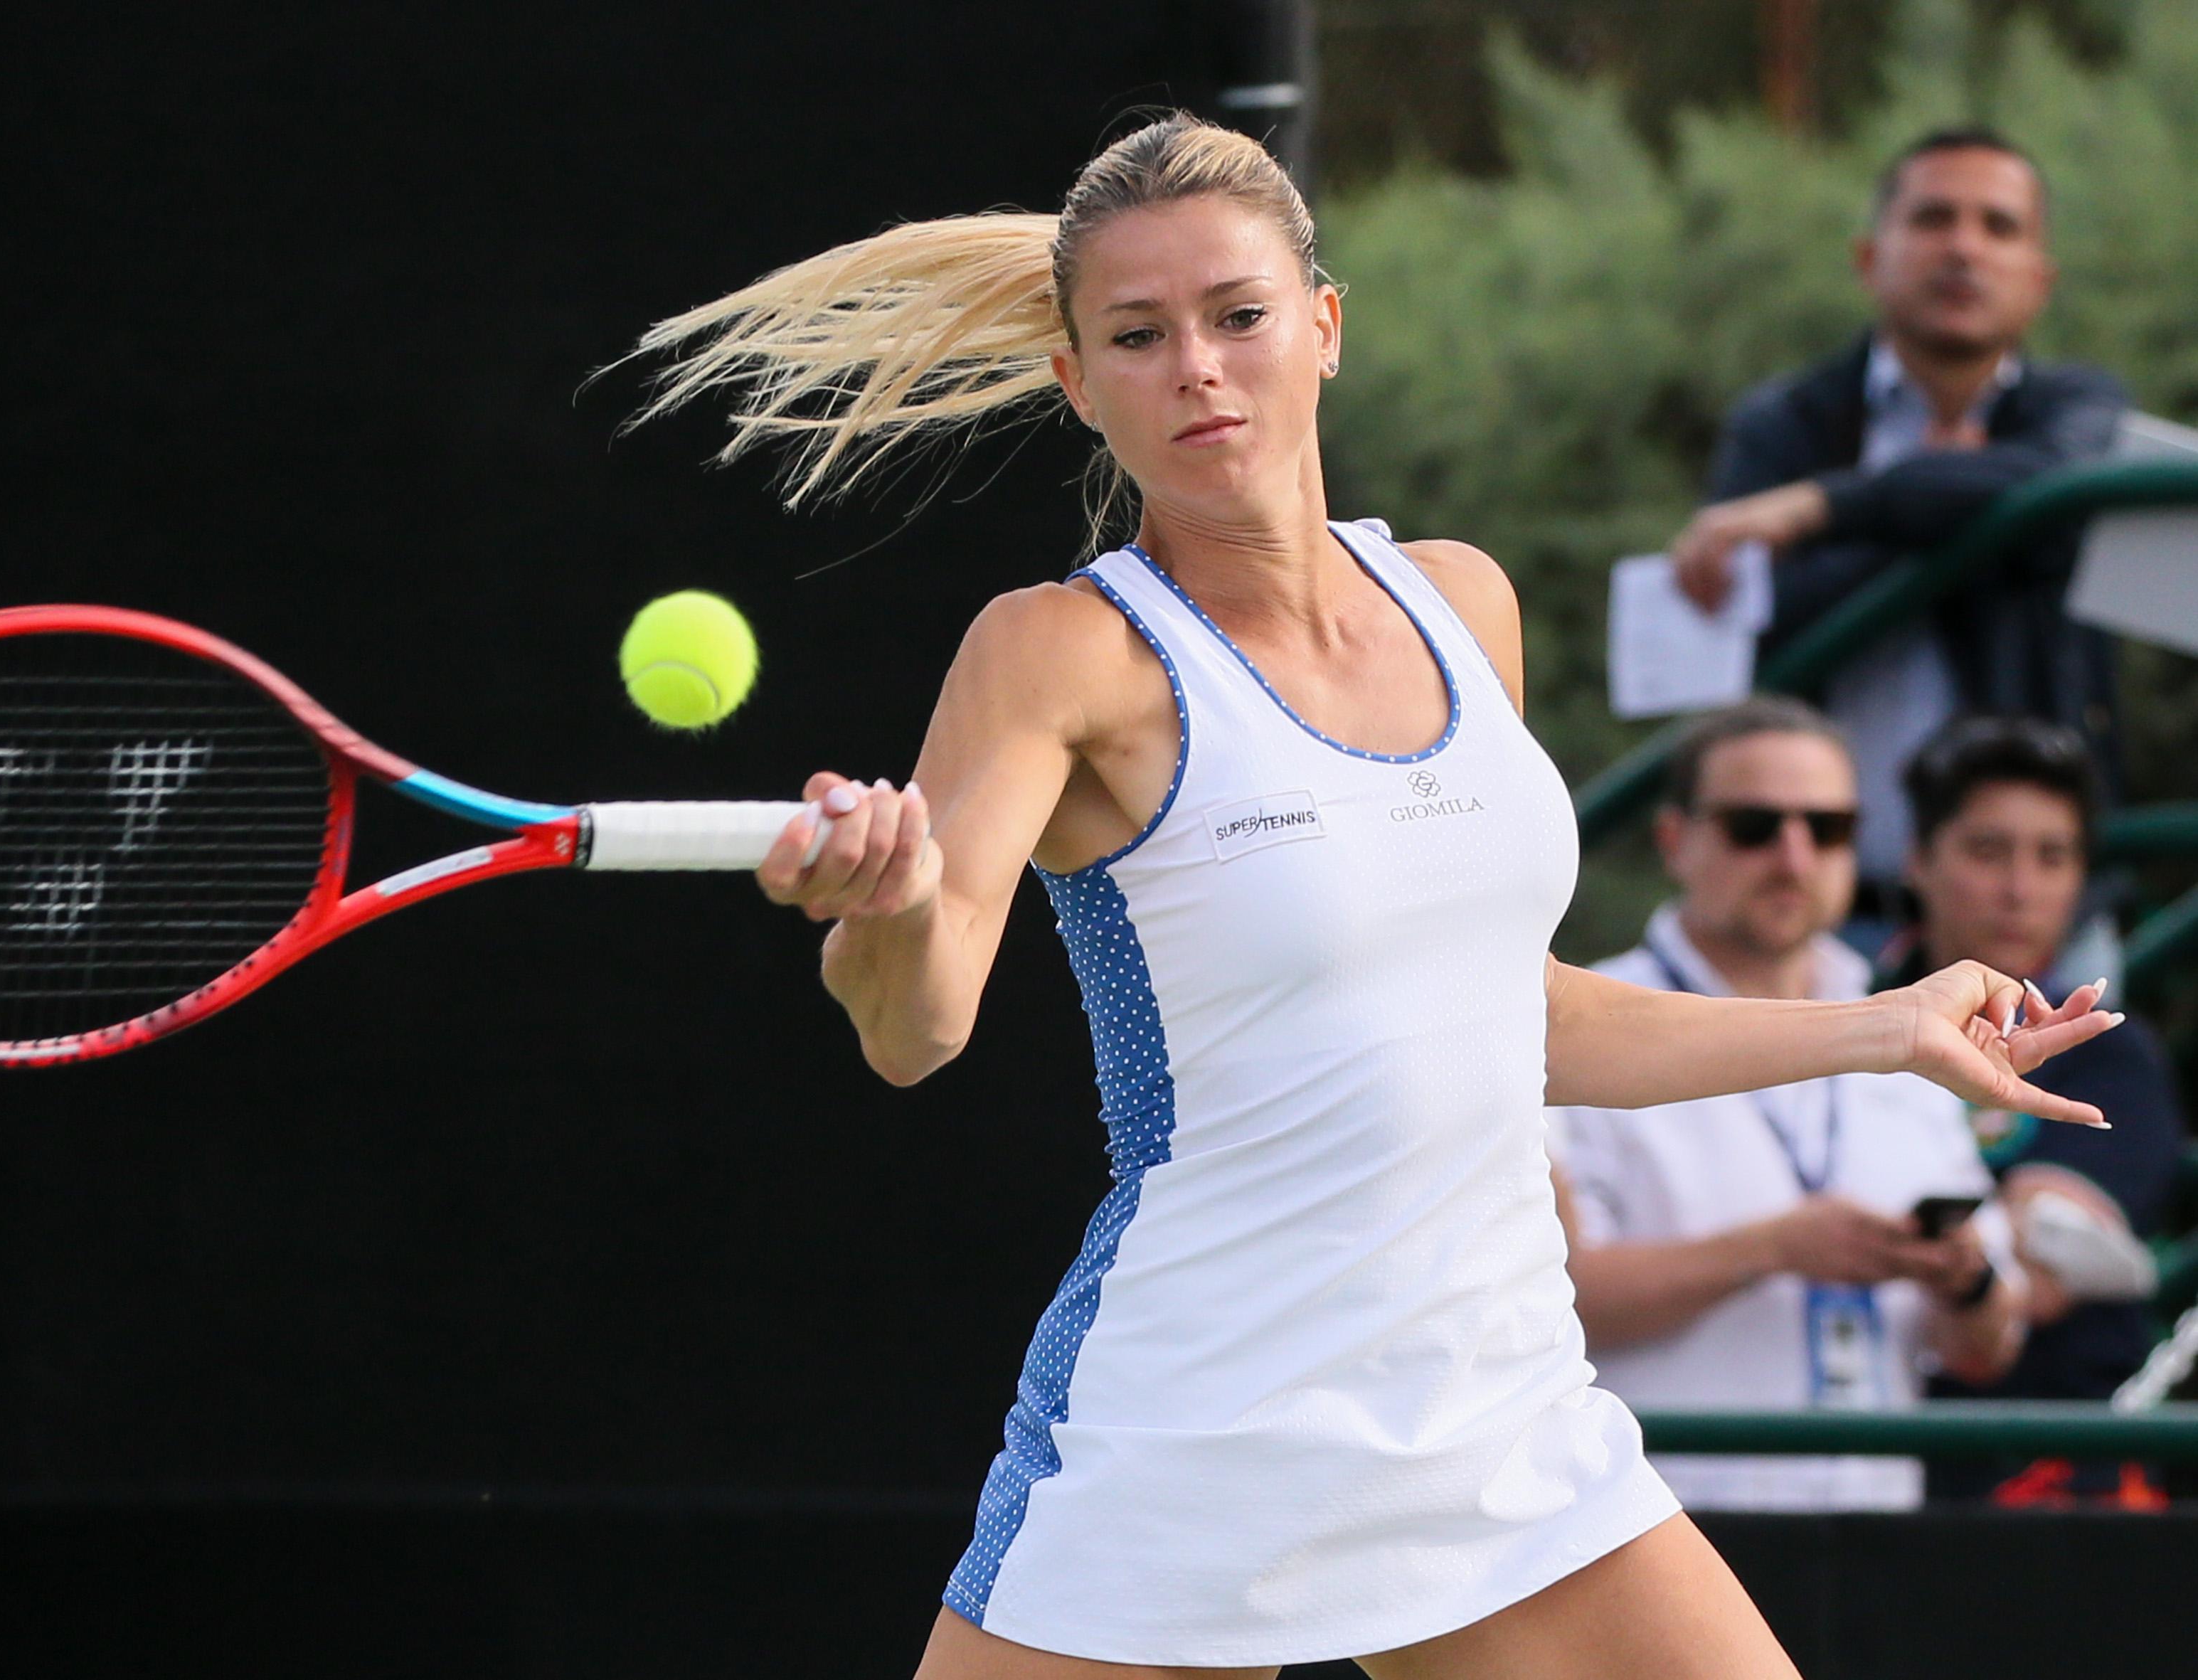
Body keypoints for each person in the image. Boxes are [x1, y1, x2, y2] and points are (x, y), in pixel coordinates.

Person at [633, 113, 2118, 1680]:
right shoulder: (1056, 650)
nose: (1197, 367)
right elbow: (911, 1028)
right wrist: (886, 896)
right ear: (1079, 385)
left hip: (1495, 1408)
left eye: (1237, 316)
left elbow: (1516, 1015)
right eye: (1137, 337)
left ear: (1322, 327)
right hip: (1197, 1419)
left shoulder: (1463, 602)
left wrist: (1883, 1025)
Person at [1543, 698, 2023, 1514]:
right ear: (1675, 840)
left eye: (1827, 827)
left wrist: (1963, 1279)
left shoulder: (1909, 1023)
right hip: (1654, 1528)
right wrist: (1770, 1249)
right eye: (1754, 825)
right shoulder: (1580, 1023)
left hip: (1877, 1527)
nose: (1793, 855)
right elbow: (1548, 1303)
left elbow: (1989, 1349)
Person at [1665, 126, 2128, 910]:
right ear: (1869, 257)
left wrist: (1826, 507)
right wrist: (1938, 503)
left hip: (2035, 916)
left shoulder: (2079, 408)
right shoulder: (1784, 424)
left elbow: (2065, 478)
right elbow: (1746, 629)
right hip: (1820, 909)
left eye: (1999, 226)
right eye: (1932, 218)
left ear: (2040, 279)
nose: (1964, 249)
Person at [1881, 716, 2187, 1504]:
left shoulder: (2113, 1053)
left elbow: (2050, 1251)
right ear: (1919, 859)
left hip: (2057, 1472)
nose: (2021, 888)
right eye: (1989, 851)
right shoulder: (1843, 1019)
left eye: (2052, 857)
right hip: (1864, 1448)